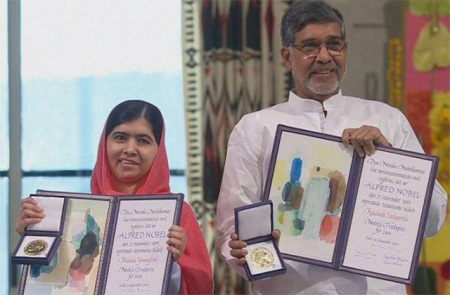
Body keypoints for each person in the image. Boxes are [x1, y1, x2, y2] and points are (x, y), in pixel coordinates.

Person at [215, 1, 448, 294]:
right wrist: (244, 251)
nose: (324, 57)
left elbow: (434, 220)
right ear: (287, 57)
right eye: (310, 46)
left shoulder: (387, 121)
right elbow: (231, 230)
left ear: (345, 50)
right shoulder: (255, 128)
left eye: (334, 45)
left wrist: (392, 162)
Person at [16, 100, 213, 294]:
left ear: (159, 149)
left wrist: (173, 263)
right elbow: (49, 284)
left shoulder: (177, 216)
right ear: (104, 143)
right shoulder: (77, 212)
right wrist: (34, 235)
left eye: (143, 141)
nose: (129, 149)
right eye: (120, 137)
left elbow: (199, 287)